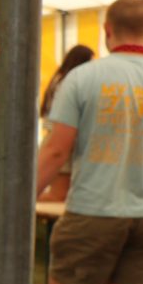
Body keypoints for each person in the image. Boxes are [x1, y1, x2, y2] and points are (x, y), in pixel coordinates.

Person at [37, 0, 143, 284]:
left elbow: (56, 150)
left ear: (106, 30)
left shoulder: (84, 77)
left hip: (94, 209)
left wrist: (19, 200)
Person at [37, 44, 95, 204]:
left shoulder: (60, 79)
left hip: (55, 138)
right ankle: (21, 205)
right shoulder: (69, 83)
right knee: (59, 195)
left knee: (60, 194)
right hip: (61, 139)